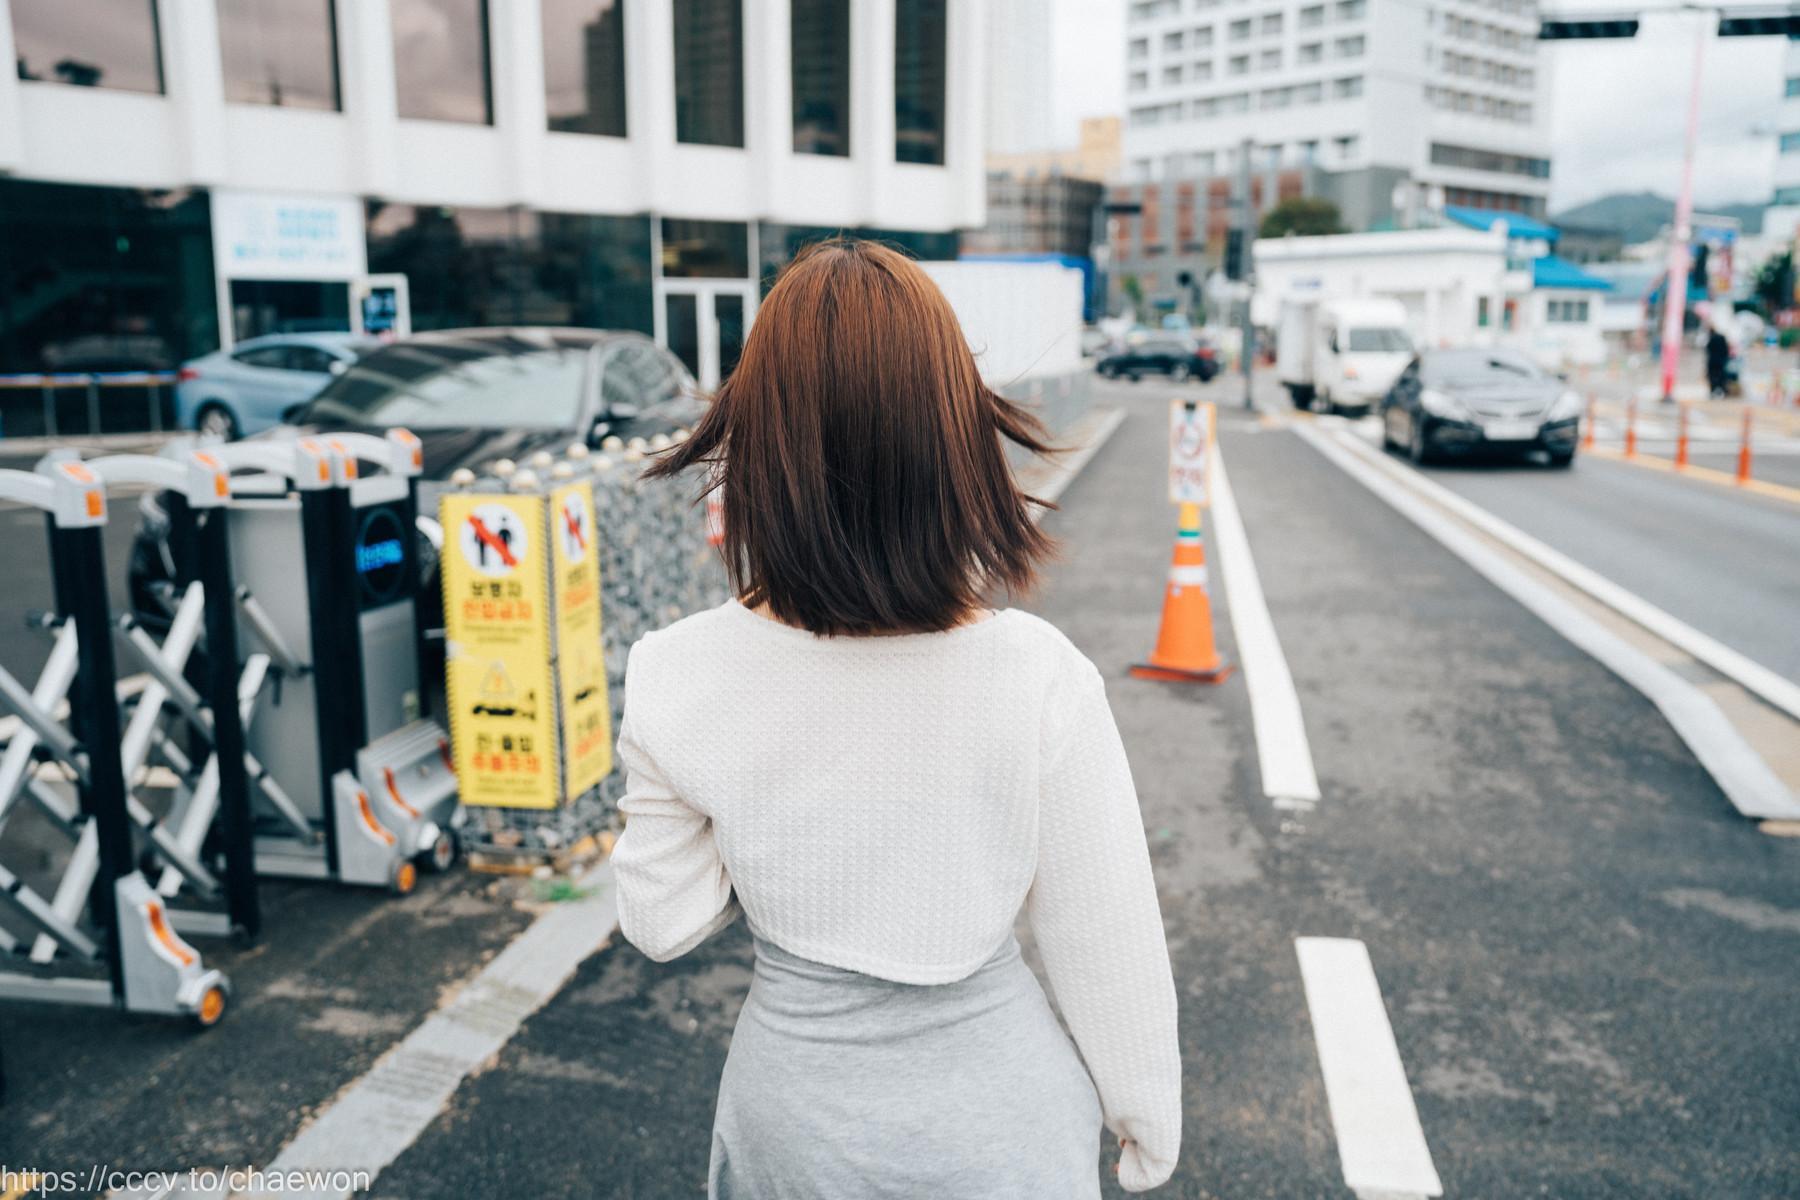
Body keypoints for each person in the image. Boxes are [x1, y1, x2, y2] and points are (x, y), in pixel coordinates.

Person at [611, 238, 1182, 1197]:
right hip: (1006, 1129)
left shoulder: (678, 672)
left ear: (756, 442)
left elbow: (661, 922)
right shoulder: (1037, 675)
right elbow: (1104, 935)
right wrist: (1144, 1118)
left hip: (796, 1127)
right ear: (955, 442)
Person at [1706, 325, 1731, 398]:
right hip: (1721, 361)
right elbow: (1726, 349)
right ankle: (1723, 390)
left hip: (1712, 362)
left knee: (1713, 377)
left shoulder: (1711, 339)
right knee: (1722, 377)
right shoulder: (1721, 337)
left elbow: (1708, 350)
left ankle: (1713, 391)